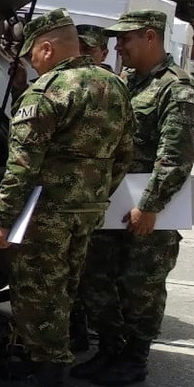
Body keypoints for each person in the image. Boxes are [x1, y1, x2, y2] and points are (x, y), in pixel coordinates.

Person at [0, 8, 134, 387]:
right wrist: (96, 193)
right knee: (67, 283)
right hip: (88, 208)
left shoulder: (48, 91)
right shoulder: (113, 85)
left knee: (38, 290)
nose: (32, 63)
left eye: (32, 54)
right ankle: (50, 358)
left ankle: (48, 376)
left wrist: (3, 220)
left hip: (46, 212)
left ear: (48, 48)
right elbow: (124, 153)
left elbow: (21, 165)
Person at [74, 10, 194, 386]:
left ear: (150, 36)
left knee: (140, 284)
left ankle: (135, 357)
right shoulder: (126, 82)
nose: (118, 47)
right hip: (114, 204)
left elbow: (176, 156)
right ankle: (111, 348)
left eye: (125, 39)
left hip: (149, 208)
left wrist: (150, 205)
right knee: (99, 277)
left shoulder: (177, 89)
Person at [67, 22, 118, 351]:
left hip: (115, 197)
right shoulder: (67, 86)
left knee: (108, 276)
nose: (83, 56)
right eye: (79, 49)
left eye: (89, 50)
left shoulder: (116, 90)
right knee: (79, 276)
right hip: (85, 200)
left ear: (103, 52)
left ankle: (121, 350)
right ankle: (79, 335)